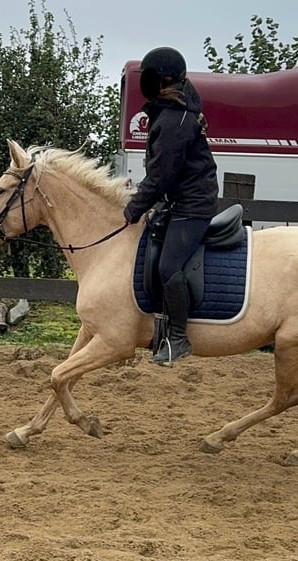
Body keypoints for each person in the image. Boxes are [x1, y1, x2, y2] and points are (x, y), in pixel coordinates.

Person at [123, 46, 219, 366]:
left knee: (168, 266)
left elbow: (161, 176)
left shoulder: (175, 120)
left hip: (193, 204)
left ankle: (178, 338)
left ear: (163, 81)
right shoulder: (170, 113)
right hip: (181, 199)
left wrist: (133, 208)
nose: (144, 84)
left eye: (149, 78)